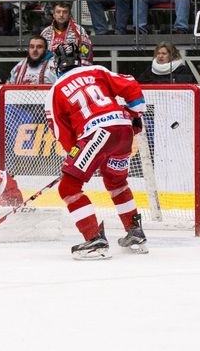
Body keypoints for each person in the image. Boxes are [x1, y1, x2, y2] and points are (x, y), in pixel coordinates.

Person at [44, 44, 148, 260]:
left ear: (56, 65)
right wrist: (135, 114)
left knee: (69, 186)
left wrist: (75, 157)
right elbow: (130, 85)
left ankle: (94, 240)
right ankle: (134, 232)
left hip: (96, 133)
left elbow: (61, 132)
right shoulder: (97, 71)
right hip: (123, 130)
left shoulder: (55, 91)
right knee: (116, 182)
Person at [39, 1, 93, 66]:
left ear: (69, 15)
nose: (61, 15)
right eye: (58, 12)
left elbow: (86, 56)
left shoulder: (79, 31)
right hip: (49, 71)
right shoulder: (45, 32)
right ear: (54, 14)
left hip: (72, 70)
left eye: (65, 12)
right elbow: (40, 54)